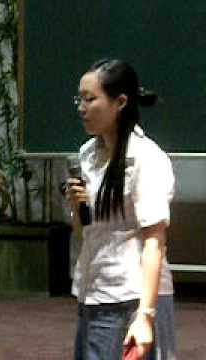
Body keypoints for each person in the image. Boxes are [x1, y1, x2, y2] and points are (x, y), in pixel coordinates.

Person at [66, 59, 176, 360]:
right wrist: (78, 208)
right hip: (94, 290)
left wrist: (145, 316)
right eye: (79, 99)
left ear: (120, 102)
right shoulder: (87, 154)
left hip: (133, 296)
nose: (81, 107)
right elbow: (87, 232)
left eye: (90, 99)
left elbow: (155, 241)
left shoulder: (146, 158)